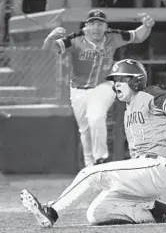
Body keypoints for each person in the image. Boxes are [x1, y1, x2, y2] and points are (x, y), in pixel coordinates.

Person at [20, 59, 166, 228]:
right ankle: (158, 212)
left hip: (155, 166)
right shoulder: (129, 109)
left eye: (121, 79)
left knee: (90, 173)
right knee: (97, 214)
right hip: (142, 175)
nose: (116, 84)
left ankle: (51, 211)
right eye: (115, 80)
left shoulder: (148, 94)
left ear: (136, 81)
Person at [42, 9, 155, 167]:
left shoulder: (113, 36)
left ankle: (100, 159)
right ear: (86, 26)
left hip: (104, 86)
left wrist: (147, 26)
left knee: (96, 117)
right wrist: (50, 37)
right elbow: (49, 50)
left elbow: (137, 35)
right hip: (78, 90)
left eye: (100, 24)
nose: (96, 28)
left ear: (106, 26)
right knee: (85, 129)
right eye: (93, 23)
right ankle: (90, 166)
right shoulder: (75, 39)